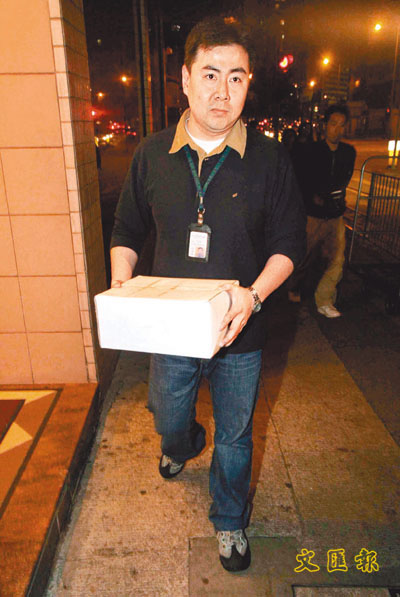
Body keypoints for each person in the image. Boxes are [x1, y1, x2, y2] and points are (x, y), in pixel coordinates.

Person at [110, 16, 305, 572]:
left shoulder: (269, 159)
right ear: (186, 79)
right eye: (211, 75)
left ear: (248, 84)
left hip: (241, 327)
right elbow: (126, 230)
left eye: (236, 77)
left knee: (237, 435)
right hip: (171, 328)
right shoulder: (152, 155)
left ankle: (229, 521)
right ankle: (182, 444)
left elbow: (289, 244)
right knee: (168, 418)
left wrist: (254, 296)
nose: (223, 91)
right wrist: (123, 283)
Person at [288, 104, 356, 318]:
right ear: (325, 125)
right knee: (304, 256)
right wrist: (313, 196)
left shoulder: (348, 152)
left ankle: (324, 300)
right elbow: (300, 179)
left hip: (335, 214)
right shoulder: (311, 150)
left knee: (337, 259)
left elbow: (345, 177)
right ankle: (294, 285)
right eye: (333, 124)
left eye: (342, 125)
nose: (338, 129)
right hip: (313, 215)